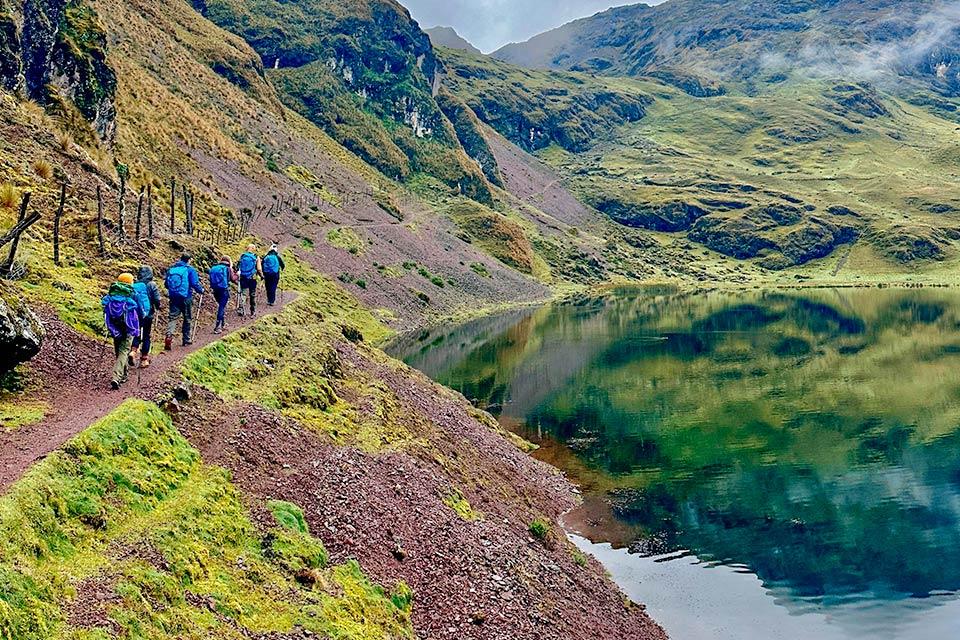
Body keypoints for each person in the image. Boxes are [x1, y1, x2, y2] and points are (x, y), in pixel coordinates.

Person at [102, 273, 141, 390]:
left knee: (118, 351)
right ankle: (116, 377)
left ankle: (123, 374)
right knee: (124, 351)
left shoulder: (111, 295)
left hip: (115, 327)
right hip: (129, 327)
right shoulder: (132, 294)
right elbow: (141, 309)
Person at [164, 252, 205, 350]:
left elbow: (166, 284)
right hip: (186, 297)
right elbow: (195, 283)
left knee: (172, 318)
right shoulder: (190, 270)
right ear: (189, 260)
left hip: (174, 297)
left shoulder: (172, 269)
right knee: (187, 318)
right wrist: (201, 290)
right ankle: (186, 339)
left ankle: (169, 336)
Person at [130, 265, 162, 369]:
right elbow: (157, 299)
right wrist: (158, 307)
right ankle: (144, 359)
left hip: (136, 313)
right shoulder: (152, 284)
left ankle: (133, 351)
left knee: (137, 332)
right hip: (148, 314)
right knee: (147, 335)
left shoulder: (136, 284)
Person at [209, 256, 238, 334]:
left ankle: (223, 324)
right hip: (223, 290)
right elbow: (233, 279)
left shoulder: (214, 268)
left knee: (221, 306)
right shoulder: (228, 269)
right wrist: (237, 274)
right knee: (221, 307)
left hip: (215, 290)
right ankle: (217, 327)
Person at [236, 244, 262, 318]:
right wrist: (262, 276)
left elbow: (238, 266)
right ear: (254, 249)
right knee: (252, 294)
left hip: (243, 277)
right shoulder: (256, 257)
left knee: (243, 293)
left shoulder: (242, 256)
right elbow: (259, 269)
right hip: (252, 278)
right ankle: (252, 311)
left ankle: (241, 308)